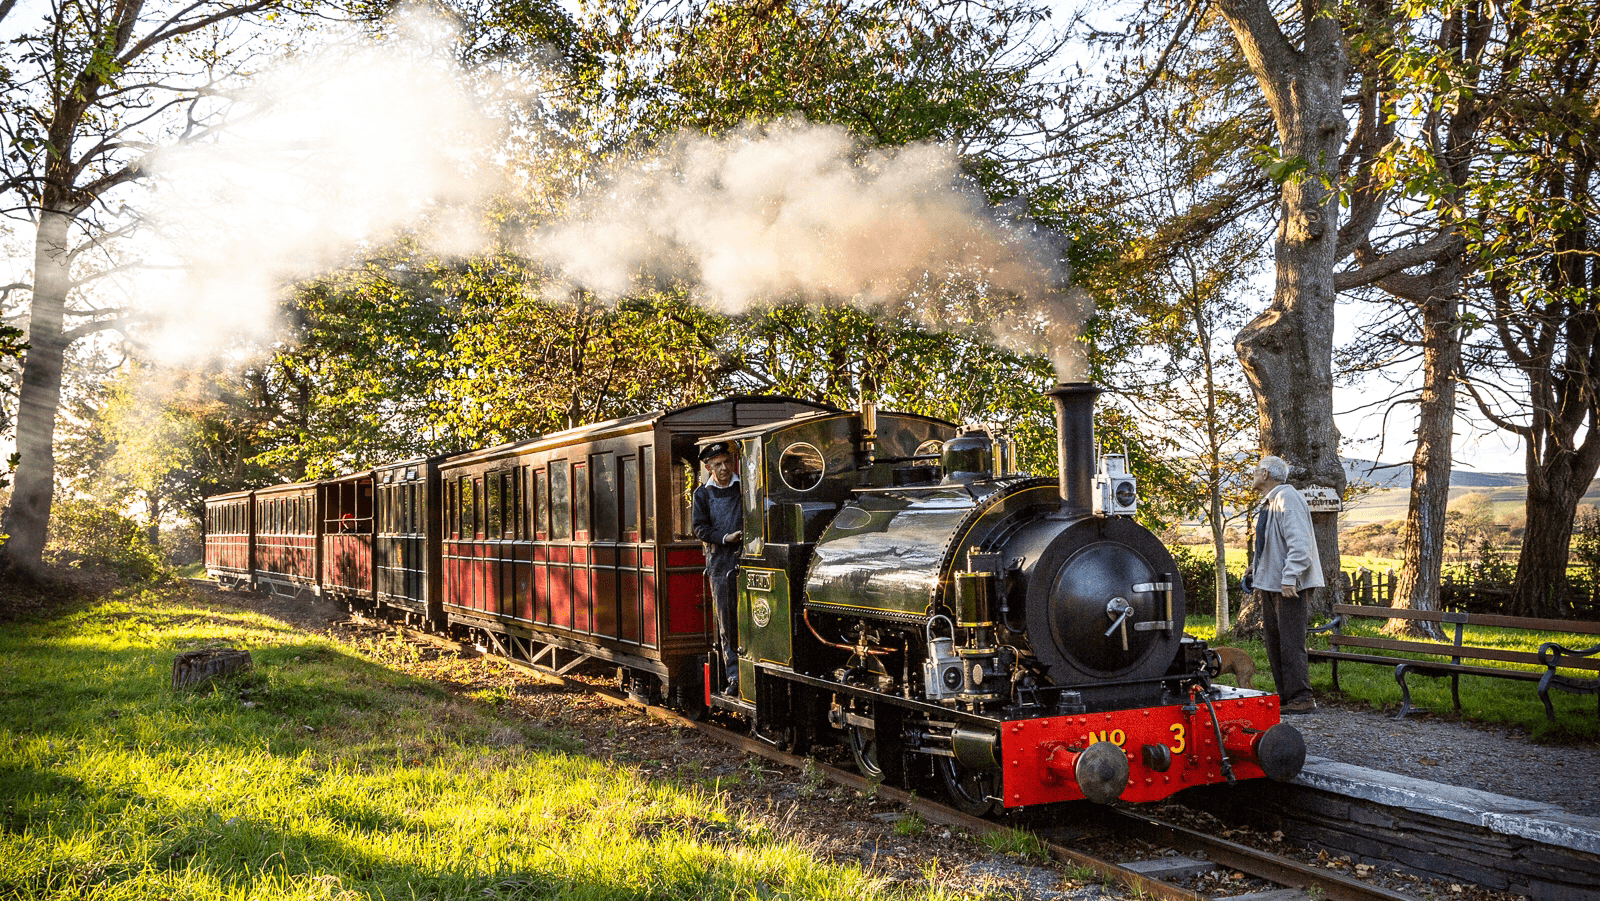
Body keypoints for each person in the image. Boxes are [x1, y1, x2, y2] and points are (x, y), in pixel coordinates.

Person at [1245, 455, 1323, 714]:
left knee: (1290, 642)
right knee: (1275, 642)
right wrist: (1256, 569)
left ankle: (1302, 698)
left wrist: (1290, 577)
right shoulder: (1271, 502)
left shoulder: (1286, 498)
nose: (1253, 474)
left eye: (1257, 471)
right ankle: (1286, 697)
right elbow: (1273, 545)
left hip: (1289, 585)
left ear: (1265, 474)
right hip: (1272, 583)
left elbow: (1300, 544)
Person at [692, 441, 743, 692]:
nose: (724, 468)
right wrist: (725, 538)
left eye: (727, 462)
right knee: (727, 620)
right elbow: (699, 528)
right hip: (720, 561)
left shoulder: (744, 487)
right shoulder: (701, 494)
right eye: (718, 464)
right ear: (708, 467)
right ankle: (734, 676)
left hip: (746, 556)